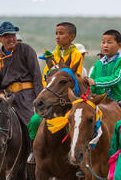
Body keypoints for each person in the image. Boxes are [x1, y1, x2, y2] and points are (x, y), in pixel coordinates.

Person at [27, 22, 84, 163]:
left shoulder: (76, 55)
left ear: (71, 37)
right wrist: (49, 93)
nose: (57, 36)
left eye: (61, 33)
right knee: (34, 120)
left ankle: (80, 153)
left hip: (68, 96)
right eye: (56, 33)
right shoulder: (52, 55)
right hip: (53, 95)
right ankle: (34, 152)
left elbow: (74, 77)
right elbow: (46, 78)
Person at [0, 21, 43, 160]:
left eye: (13, 35)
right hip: (5, 97)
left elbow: (36, 75)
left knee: (31, 122)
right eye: (7, 36)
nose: (11, 38)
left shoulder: (26, 49)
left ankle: (33, 152)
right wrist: (0, 95)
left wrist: (39, 99)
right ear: (0, 39)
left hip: (27, 96)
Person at [88, 29, 121, 101]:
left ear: (119, 45)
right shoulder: (98, 64)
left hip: (120, 101)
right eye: (103, 42)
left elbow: (116, 79)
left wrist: (95, 82)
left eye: (109, 42)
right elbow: (91, 85)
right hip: (101, 101)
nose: (105, 45)